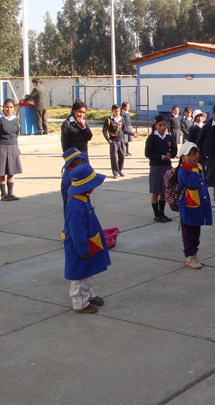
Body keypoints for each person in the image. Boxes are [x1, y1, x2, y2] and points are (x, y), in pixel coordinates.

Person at [63, 163, 112, 313]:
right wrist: (82, 248)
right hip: (80, 245)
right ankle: (80, 303)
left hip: (89, 242)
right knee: (80, 275)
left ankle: (88, 295)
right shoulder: (75, 205)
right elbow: (77, 230)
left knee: (88, 271)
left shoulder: (83, 198)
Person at [176, 141, 212, 270]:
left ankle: (194, 253)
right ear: (183, 157)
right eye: (190, 154)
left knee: (196, 233)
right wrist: (194, 170)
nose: (194, 157)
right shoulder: (183, 170)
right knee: (188, 233)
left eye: (195, 153)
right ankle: (189, 256)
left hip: (198, 206)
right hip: (188, 207)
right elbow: (192, 184)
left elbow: (205, 182)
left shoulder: (199, 168)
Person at [145, 115, 177, 222]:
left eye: (164, 125)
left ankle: (162, 213)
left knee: (164, 191)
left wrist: (171, 155)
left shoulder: (169, 137)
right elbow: (147, 153)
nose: (162, 127)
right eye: (160, 125)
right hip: (155, 166)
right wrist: (161, 156)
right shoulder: (152, 138)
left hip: (166, 166)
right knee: (156, 192)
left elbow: (174, 150)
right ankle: (156, 214)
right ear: (156, 125)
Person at [0, 98, 23, 201]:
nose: (9, 109)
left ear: (14, 108)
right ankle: (3, 194)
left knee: (11, 171)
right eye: (7, 107)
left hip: (13, 146)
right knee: (2, 171)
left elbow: (16, 132)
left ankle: (10, 193)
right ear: (3, 107)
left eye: (11, 107)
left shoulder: (15, 119)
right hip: (2, 146)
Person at [60, 148, 88, 218]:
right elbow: (67, 191)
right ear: (73, 161)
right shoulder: (69, 174)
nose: (81, 160)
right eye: (79, 159)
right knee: (72, 217)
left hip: (78, 200)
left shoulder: (75, 170)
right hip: (73, 201)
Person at [103, 104, 126, 177]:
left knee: (122, 155)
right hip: (113, 140)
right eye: (115, 111)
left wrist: (133, 133)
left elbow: (124, 129)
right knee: (114, 157)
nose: (117, 112)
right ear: (112, 111)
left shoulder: (121, 119)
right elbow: (104, 130)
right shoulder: (109, 120)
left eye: (118, 111)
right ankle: (115, 172)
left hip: (121, 140)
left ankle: (120, 170)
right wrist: (108, 140)